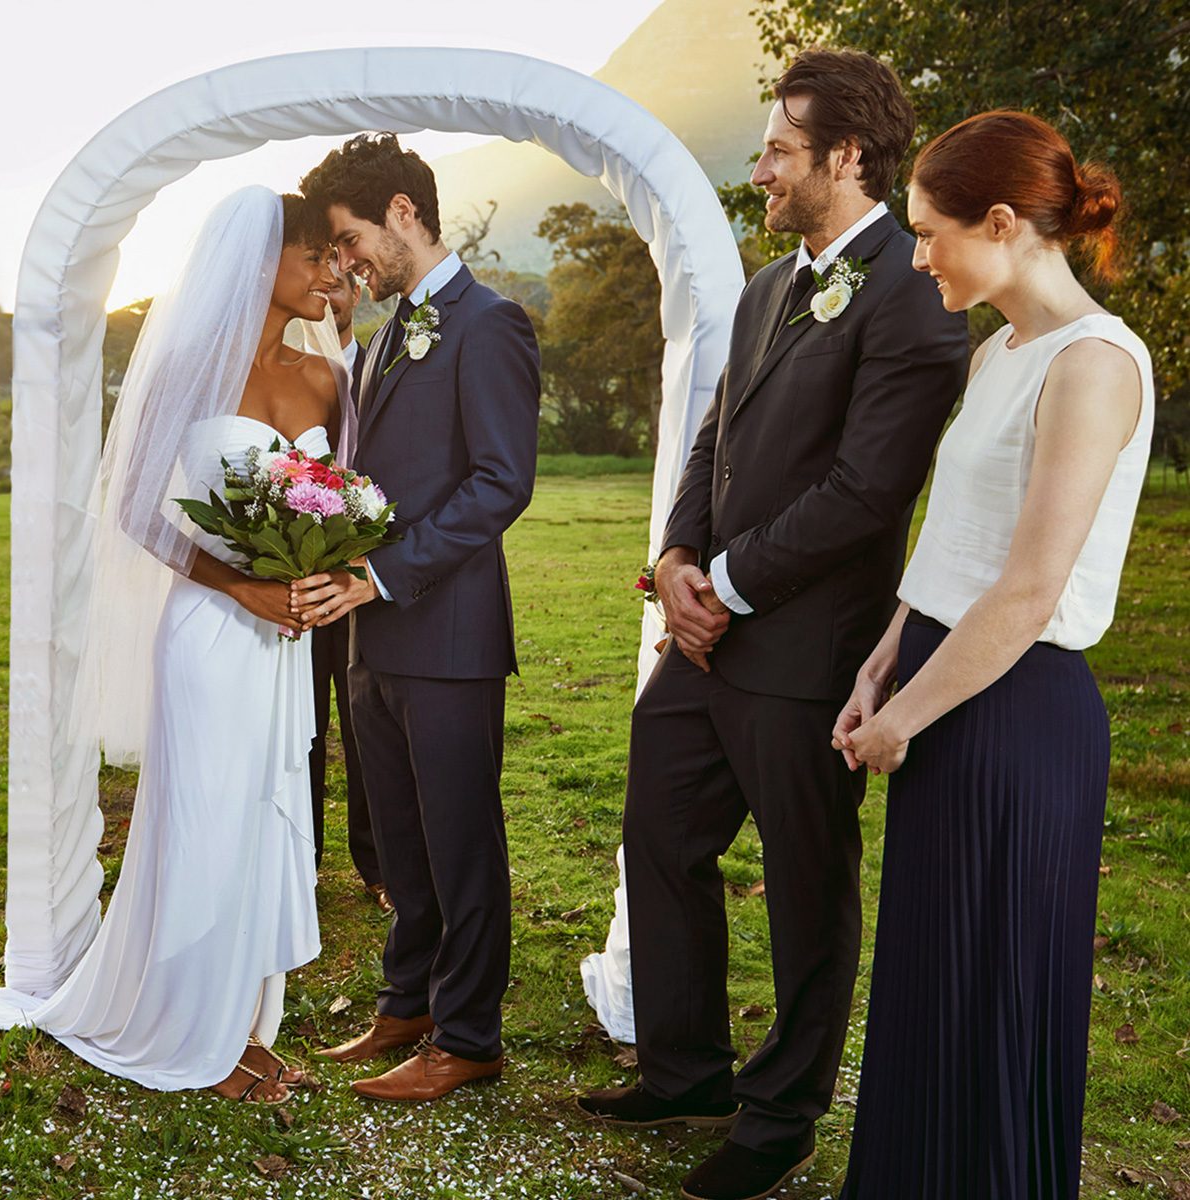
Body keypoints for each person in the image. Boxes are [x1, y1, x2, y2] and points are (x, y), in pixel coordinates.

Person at [573, 48, 970, 1200]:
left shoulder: (914, 291)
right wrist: (675, 559)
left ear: (846, 157)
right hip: (705, 637)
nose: (760, 172)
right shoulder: (764, 288)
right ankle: (685, 1068)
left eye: (779, 152)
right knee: (660, 836)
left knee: (806, 887)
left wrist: (728, 586)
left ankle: (783, 1113)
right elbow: (716, 442)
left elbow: (867, 491)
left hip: (809, 652)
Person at [0, 187, 341, 1107]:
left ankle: (244, 1025)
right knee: (205, 821)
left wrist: (316, 574)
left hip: (285, 640)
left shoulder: (328, 376)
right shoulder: (185, 370)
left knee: (263, 818)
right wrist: (242, 586)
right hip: (210, 629)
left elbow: (343, 495)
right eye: (315, 255)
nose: (330, 272)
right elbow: (133, 506)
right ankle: (190, 1030)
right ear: (262, 260)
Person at [835, 111, 1151, 1200]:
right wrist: (885, 657)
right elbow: (954, 538)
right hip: (940, 680)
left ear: (1004, 222)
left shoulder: (1095, 364)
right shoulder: (995, 352)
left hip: (1014, 714)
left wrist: (903, 717)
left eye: (931, 233)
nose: (918, 256)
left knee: (993, 991)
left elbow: (1028, 587)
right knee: (932, 983)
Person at [296, 133, 541, 1103]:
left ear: (403, 211)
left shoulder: (491, 323)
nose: (348, 263)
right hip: (373, 637)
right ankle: (407, 1003)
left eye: (352, 240)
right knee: (400, 838)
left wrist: (384, 574)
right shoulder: (388, 331)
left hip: (447, 635)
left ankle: (469, 1035)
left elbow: (500, 483)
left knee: (460, 843)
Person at [309, 266, 390, 914]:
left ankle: (379, 865)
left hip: (369, 581)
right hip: (298, 578)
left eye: (337, 285)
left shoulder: (382, 368)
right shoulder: (286, 374)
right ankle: (299, 862)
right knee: (300, 727)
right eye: (317, 285)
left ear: (356, 293)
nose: (326, 297)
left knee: (369, 729)